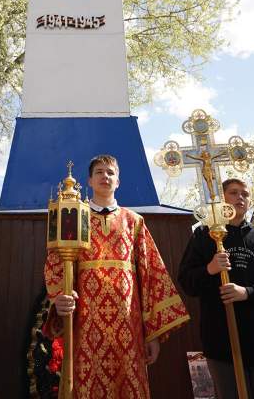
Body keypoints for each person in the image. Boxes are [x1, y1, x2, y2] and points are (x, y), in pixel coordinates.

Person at [45, 154, 190, 398]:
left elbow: (152, 275)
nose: (105, 176)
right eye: (99, 172)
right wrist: (58, 298)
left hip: (129, 327)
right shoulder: (73, 218)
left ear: (118, 181)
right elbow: (57, 264)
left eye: (110, 172)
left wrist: (152, 334)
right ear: (89, 181)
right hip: (86, 325)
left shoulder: (134, 221)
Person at [178, 178, 254, 399]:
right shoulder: (204, 236)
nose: (240, 197)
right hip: (223, 343)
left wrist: (247, 293)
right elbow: (186, 281)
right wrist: (210, 269)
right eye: (233, 192)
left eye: (245, 193)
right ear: (222, 199)